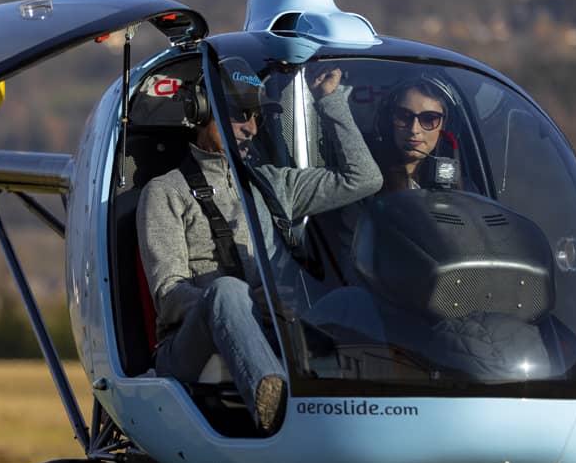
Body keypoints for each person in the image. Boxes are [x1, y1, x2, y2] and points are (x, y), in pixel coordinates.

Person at [136, 57, 383, 433]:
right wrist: (244, 304)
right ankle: (281, 417)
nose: (250, 128)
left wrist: (329, 100)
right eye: (238, 115)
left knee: (353, 302)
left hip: (273, 325)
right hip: (188, 346)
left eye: (255, 117)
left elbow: (363, 179)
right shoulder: (166, 191)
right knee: (226, 290)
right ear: (202, 110)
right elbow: (169, 296)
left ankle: (380, 417)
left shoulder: (274, 184)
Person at [374, 79, 453, 192]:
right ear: (388, 121)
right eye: (404, 116)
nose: (414, 129)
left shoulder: (465, 189)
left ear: (445, 126)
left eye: (429, 119)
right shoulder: (366, 183)